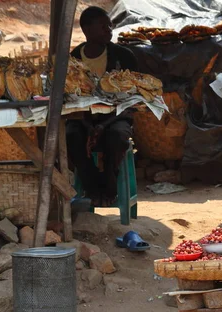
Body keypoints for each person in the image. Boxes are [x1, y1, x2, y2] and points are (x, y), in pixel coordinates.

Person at [67, 6, 138, 207]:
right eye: (103, 26)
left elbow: (132, 98)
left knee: (116, 136)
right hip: (82, 116)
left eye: (110, 25)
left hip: (117, 115)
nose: (109, 29)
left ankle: (109, 185)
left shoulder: (124, 56)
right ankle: (92, 188)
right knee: (71, 137)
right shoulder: (74, 58)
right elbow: (69, 97)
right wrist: (89, 125)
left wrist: (102, 125)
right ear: (87, 30)